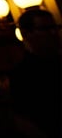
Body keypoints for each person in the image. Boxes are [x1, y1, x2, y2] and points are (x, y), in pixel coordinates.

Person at [9, 8, 62, 137]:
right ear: (27, 34)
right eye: (45, 29)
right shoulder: (22, 74)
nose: (53, 33)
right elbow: (23, 119)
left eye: (55, 27)